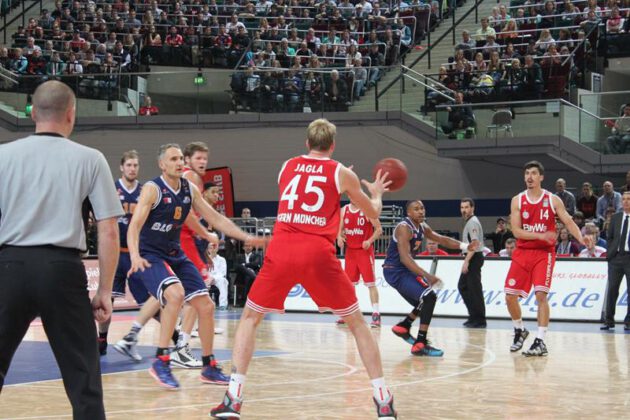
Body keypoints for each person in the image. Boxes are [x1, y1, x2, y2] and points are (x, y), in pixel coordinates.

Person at [210, 119, 398, 419]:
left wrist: (336, 179)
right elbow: (372, 211)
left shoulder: (286, 166)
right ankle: (382, 398)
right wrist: (375, 192)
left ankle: (233, 398)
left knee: (249, 318)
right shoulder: (342, 173)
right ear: (333, 145)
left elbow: (301, 190)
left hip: (282, 247)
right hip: (317, 252)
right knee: (358, 325)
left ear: (307, 143)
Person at [0, 81, 123, 418]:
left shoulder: (2, 156)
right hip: (62, 270)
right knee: (82, 378)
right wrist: (105, 291)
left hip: (9, 267)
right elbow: (109, 231)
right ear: (72, 114)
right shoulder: (90, 159)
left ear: (31, 113)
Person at [127, 143, 265, 389]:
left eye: (181, 158)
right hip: (150, 255)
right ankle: (162, 360)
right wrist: (135, 255)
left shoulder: (189, 189)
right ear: (162, 164)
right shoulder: (152, 189)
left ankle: (209, 366)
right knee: (175, 294)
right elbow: (134, 225)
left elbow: (216, 218)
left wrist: (246, 237)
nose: (179, 162)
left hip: (174, 253)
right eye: (173, 159)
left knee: (206, 305)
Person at [504, 161, 591, 357]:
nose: (529, 177)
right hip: (522, 252)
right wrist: (540, 235)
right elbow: (516, 231)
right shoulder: (517, 200)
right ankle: (519, 330)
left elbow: (568, 221)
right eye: (527, 173)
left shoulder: (552, 200)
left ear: (541, 177)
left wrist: (581, 237)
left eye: (533, 173)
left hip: (544, 254)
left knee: (540, 296)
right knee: (509, 297)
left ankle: (540, 340)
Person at [386, 200, 478, 357]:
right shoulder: (404, 228)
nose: (421, 211)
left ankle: (404, 326)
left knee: (424, 301)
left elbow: (442, 239)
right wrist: (427, 276)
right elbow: (404, 258)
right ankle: (420, 343)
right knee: (429, 297)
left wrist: (464, 246)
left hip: (406, 270)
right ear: (408, 213)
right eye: (416, 209)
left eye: (422, 208)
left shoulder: (422, 226)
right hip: (396, 271)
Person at [97, 150, 151, 355]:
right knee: (106, 300)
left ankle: (173, 337)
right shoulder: (111, 189)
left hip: (135, 253)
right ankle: (102, 339)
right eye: (129, 165)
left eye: (135, 165)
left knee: (149, 299)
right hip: (114, 252)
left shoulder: (145, 190)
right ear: (121, 167)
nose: (132, 168)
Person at [336, 201, 383, 327]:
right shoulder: (344, 210)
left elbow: (379, 229)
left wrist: (369, 240)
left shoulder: (367, 209)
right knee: (349, 285)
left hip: (365, 252)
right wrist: (339, 237)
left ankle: (376, 314)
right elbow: (339, 230)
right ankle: (351, 315)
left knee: (371, 284)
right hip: (350, 252)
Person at [601, 191, 630, 330]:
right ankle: (609, 321)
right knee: (612, 290)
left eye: (628, 199)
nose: (625, 201)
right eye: (623, 199)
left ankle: (628, 321)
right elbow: (610, 237)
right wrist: (611, 254)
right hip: (616, 258)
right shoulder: (616, 217)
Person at [459, 198, 486, 328]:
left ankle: (480, 319)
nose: (464, 210)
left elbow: (474, 244)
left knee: (474, 289)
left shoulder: (472, 223)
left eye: (466, 207)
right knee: (463, 286)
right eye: (462, 207)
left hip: (474, 258)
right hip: (472, 257)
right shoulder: (469, 222)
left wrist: (466, 261)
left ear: (472, 208)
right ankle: (473, 316)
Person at [206, 242, 229, 310]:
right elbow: (203, 271)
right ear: (208, 249)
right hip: (207, 278)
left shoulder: (222, 259)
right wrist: (209, 278)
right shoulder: (204, 259)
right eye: (210, 248)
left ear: (217, 249)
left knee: (223, 281)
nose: (212, 250)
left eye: (214, 248)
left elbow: (223, 273)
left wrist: (213, 278)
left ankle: (223, 304)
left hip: (218, 279)